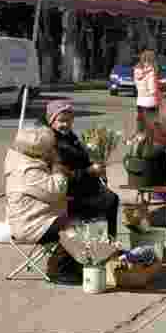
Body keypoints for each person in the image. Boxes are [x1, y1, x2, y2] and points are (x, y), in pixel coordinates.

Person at [4, 124, 76, 280]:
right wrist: (58, 167)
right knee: (77, 225)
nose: (53, 150)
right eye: (50, 148)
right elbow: (57, 190)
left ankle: (73, 264)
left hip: (36, 216)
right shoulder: (27, 170)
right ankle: (58, 269)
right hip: (30, 225)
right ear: (40, 151)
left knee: (78, 215)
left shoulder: (24, 160)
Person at [45, 100, 121, 242]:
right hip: (66, 198)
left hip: (82, 189)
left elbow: (83, 160)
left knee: (111, 198)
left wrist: (97, 166)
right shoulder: (52, 143)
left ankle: (109, 242)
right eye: (61, 121)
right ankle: (107, 242)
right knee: (111, 200)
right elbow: (62, 177)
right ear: (51, 121)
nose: (66, 124)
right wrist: (89, 171)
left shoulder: (70, 137)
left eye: (69, 120)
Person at [133, 50, 161, 131]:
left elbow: (137, 84)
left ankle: (139, 137)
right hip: (151, 101)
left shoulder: (137, 70)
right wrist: (159, 87)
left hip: (140, 101)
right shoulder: (151, 71)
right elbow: (152, 89)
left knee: (141, 125)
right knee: (152, 127)